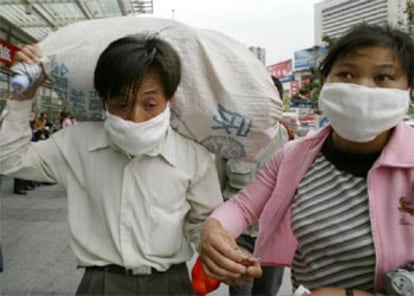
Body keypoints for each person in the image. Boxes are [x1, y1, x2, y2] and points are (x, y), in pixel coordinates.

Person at [199, 24, 414, 296]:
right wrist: (214, 230)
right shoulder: (296, 155)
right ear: (325, 82)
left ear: (408, 89)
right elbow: (243, 205)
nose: (362, 89)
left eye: (383, 77)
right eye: (346, 74)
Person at [0, 33, 223, 295]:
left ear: (169, 101)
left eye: (150, 104)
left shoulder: (193, 156)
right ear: (105, 101)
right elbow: (9, 159)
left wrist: (213, 240)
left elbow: (204, 220)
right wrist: (21, 97)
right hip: (102, 284)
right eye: (122, 103)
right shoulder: (76, 144)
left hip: (170, 283)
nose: (135, 118)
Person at [216, 76, 287, 296]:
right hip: (239, 235)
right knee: (240, 292)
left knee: (267, 292)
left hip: (272, 234)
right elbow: (218, 187)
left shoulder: (288, 139)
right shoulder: (230, 138)